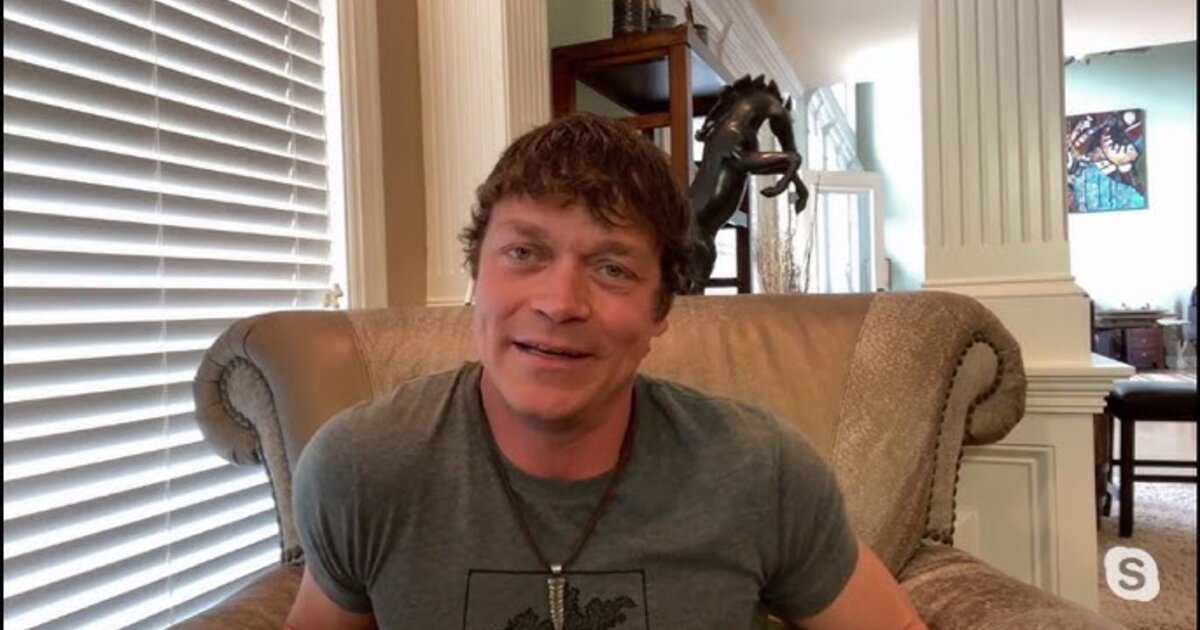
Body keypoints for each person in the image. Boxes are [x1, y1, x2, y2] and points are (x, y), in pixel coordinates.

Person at [285, 113, 926, 629]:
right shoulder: (362, 467)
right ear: (476, 277)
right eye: (523, 252)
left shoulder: (762, 472)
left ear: (660, 309)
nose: (560, 303)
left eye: (612, 268)